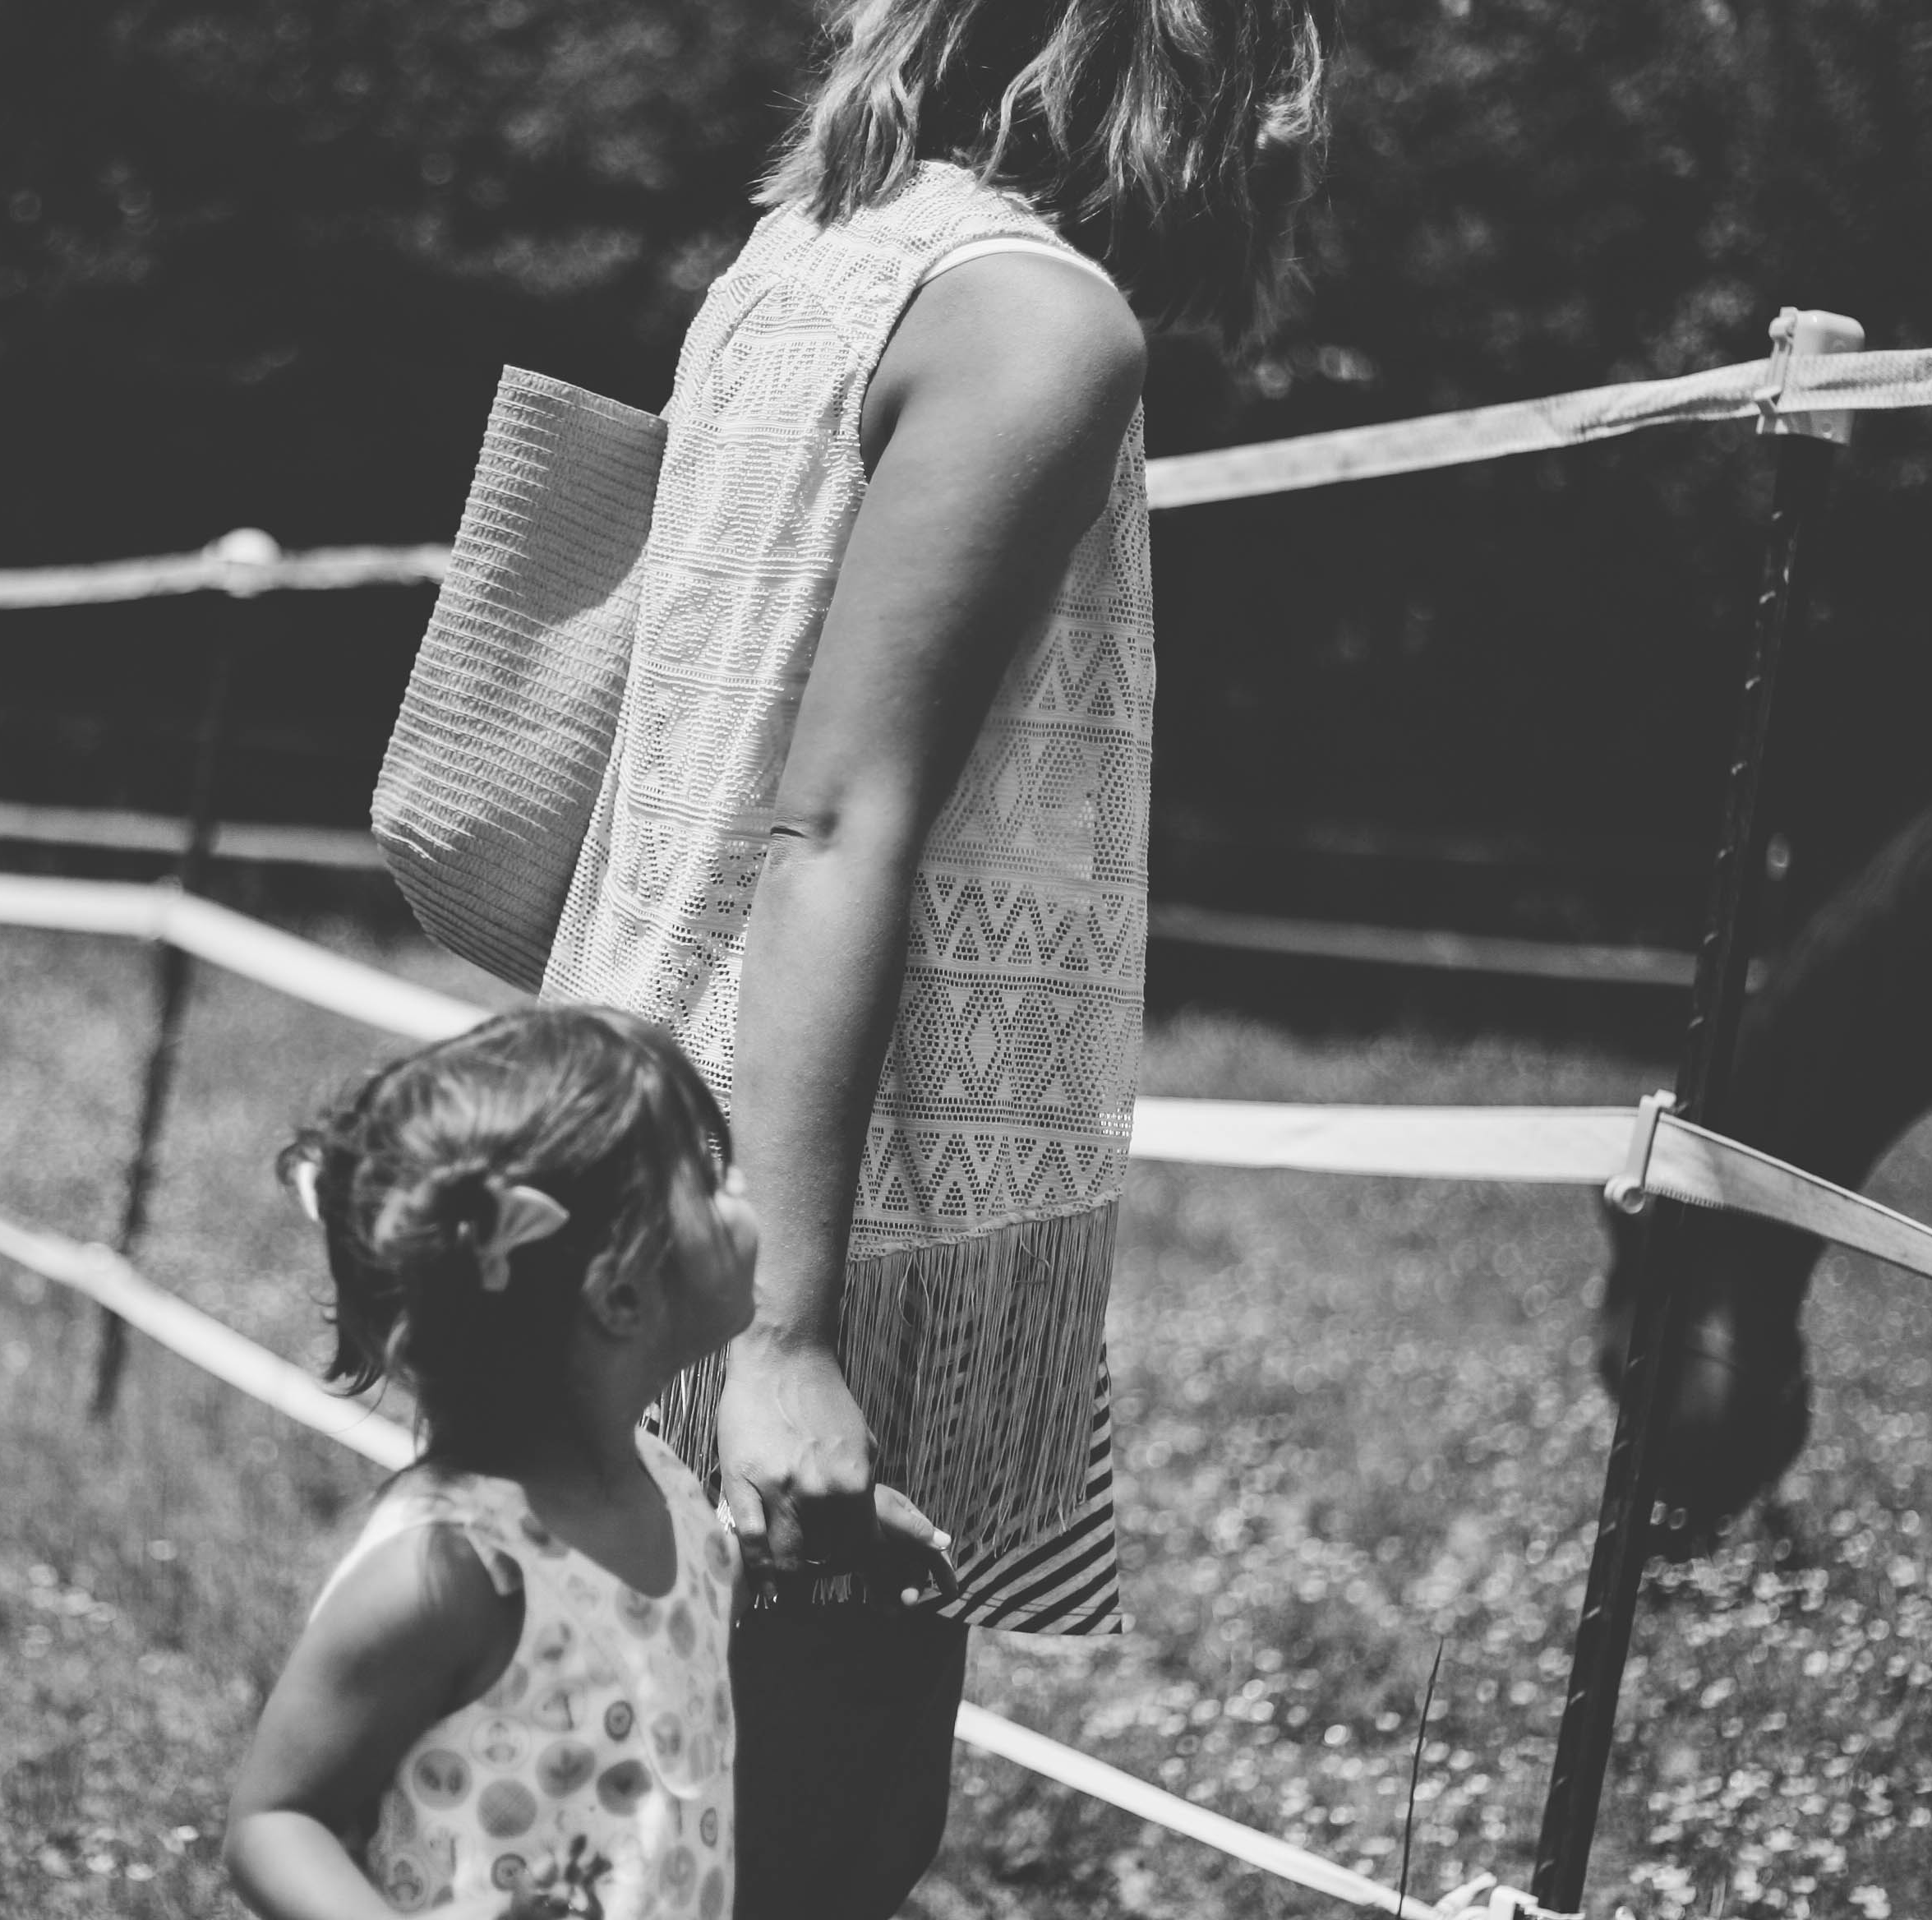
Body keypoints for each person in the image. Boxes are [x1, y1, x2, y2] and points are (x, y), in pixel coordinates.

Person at [537, 2, 1335, 1913]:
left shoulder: (798, 256)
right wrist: (782, 1340)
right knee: (805, 1844)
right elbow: (832, 823)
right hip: (821, 1202)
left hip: (623, 1112)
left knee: (595, 1808)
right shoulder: (1036, 321)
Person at [224, 1007, 954, 1920]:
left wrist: (817, 1541)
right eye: (709, 1178)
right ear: (619, 1293)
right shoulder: (451, 1569)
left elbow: (646, 1618)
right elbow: (277, 1820)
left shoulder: (658, 1479)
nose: (743, 1194)